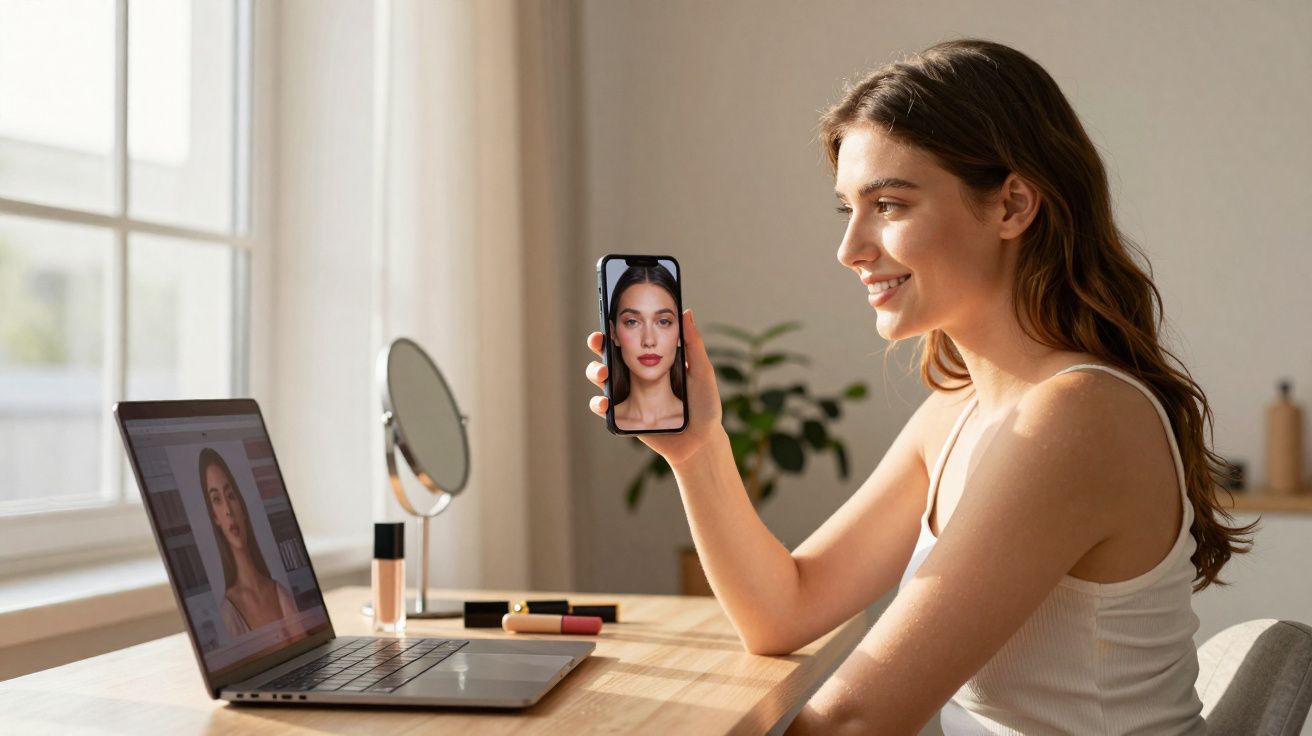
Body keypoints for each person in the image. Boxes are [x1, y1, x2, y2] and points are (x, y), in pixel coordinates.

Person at [583, 39, 1254, 734]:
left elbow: (856, 722)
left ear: (1012, 205)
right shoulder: (961, 412)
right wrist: (698, 450)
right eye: (848, 209)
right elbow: (784, 611)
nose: (851, 250)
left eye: (890, 205)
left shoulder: (1078, 414)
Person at [198, 448, 299, 638]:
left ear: (242, 507)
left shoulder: (278, 591)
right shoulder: (228, 613)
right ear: (215, 518)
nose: (228, 509)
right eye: (216, 499)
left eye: (230, 496)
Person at [606, 263, 686, 431]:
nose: (649, 340)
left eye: (664, 322)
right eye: (632, 322)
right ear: (613, 333)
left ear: (681, 331)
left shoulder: (699, 421)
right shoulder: (604, 417)